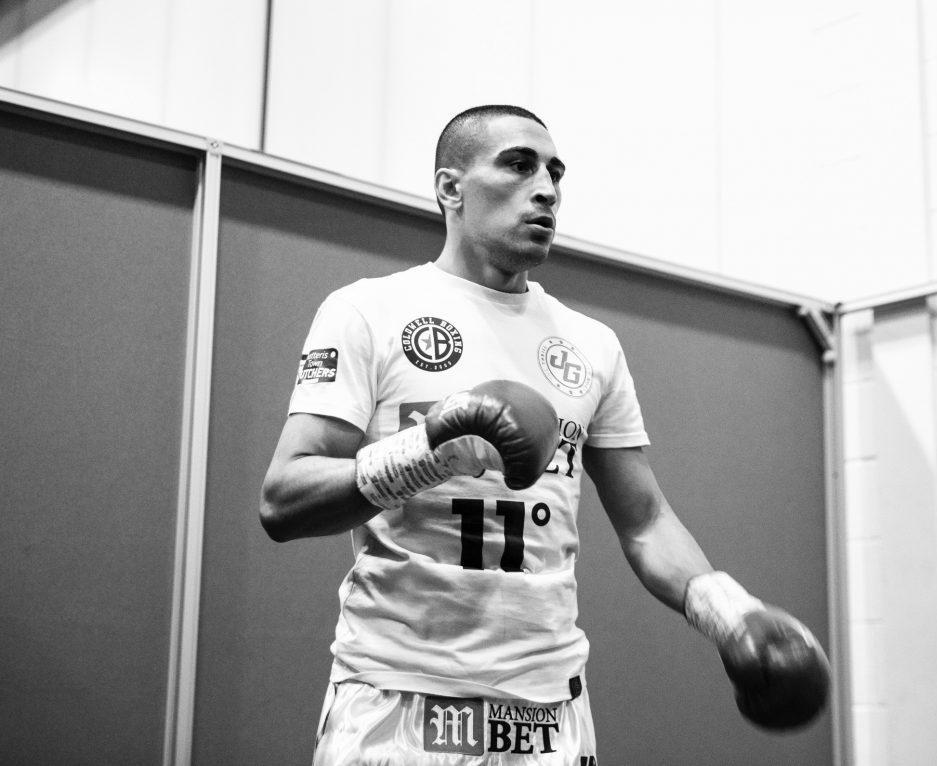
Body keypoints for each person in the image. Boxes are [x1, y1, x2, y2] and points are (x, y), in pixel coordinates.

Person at [260, 104, 829, 765]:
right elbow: (282, 500)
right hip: (399, 698)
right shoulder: (368, 312)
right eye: (519, 165)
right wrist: (429, 451)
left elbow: (646, 521)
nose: (547, 190)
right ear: (450, 188)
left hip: (549, 714)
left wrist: (728, 612)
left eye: (555, 173)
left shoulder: (590, 343)